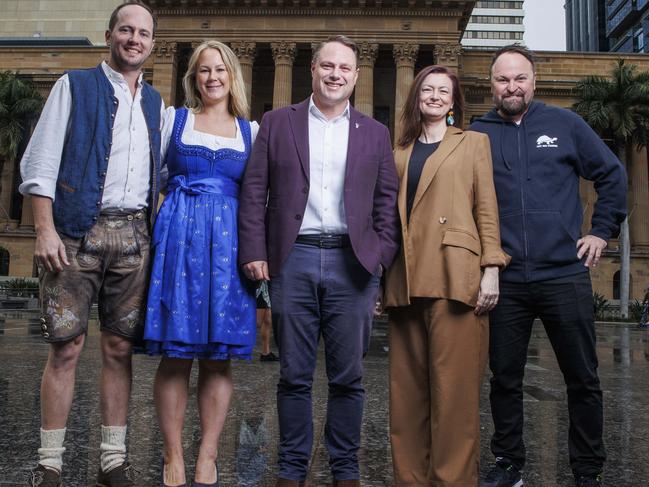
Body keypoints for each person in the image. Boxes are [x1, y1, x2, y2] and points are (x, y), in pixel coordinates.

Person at [238, 35, 399, 487]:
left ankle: (345, 470)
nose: (335, 74)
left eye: (344, 68)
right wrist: (254, 250)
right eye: (327, 66)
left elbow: (387, 201)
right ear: (313, 69)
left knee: (349, 377)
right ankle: (292, 470)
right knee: (294, 375)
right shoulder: (276, 122)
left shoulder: (375, 132)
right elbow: (254, 192)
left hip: (354, 263)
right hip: (295, 258)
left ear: (355, 75)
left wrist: (379, 255)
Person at [470, 44, 627, 487]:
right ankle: (509, 463)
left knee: (582, 378)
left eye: (520, 78)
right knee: (504, 378)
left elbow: (612, 174)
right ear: (492, 85)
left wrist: (600, 231)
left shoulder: (566, 124)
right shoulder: (477, 133)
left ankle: (587, 471)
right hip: (506, 278)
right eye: (503, 79)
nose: (512, 86)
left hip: (564, 274)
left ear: (534, 81)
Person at [19, 2, 162, 486]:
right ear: (109, 35)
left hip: (134, 238)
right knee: (66, 347)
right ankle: (50, 462)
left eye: (143, 33)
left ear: (152, 44)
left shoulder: (156, 104)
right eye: (127, 30)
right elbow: (40, 161)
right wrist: (44, 228)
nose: (134, 39)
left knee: (119, 348)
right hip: (76, 233)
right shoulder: (73, 86)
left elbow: (157, 174)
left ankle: (112, 460)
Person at [383, 65, 509, 487]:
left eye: (443, 91)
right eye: (427, 89)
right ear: (416, 96)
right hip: (405, 277)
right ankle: (410, 480)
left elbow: (487, 210)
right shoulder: (397, 149)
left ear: (454, 101)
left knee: (455, 398)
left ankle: (452, 481)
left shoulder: (474, 143)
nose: (435, 96)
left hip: (457, 277)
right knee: (406, 397)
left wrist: (491, 268)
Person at [143, 40, 257, 487]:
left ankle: (208, 454)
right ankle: (173, 455)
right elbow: (150, 177)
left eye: (220, 71)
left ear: (233, 78)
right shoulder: (174, 121)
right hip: (178, 241)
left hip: (227, 249)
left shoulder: (253, 131)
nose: (212, 78)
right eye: (204, 71)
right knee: (175, 355)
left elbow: (258, 195)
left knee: (217, 360)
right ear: (193, 77)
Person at [256, 282, 279, 361]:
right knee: (258, 321)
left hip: (265, 283)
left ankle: (265, 352)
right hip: (258, 281)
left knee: (267, 319)